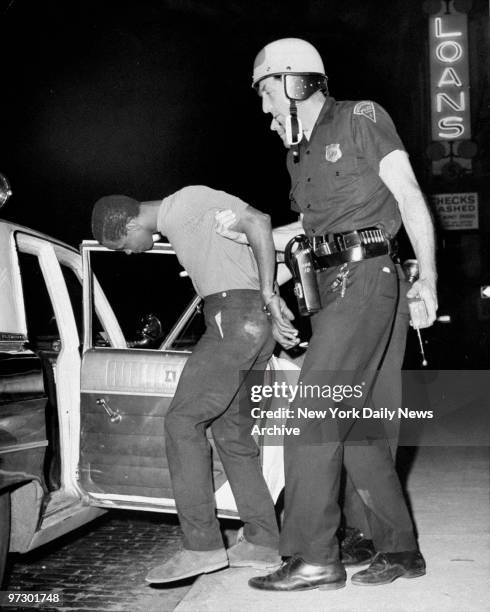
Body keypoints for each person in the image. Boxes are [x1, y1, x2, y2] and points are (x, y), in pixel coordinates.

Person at [216, 38, 437, 591]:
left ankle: (313, 557)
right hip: (334, 287)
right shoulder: (298, 154)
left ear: (295, 81)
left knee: (311, 417)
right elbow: (309, 236)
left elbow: (408, 196)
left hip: (368, 277)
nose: (264, 110)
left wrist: (429, 276)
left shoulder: (361, 117)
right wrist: (244, 248)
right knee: (357, 431)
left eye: (266, 91)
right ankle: (400, 549)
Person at [91, 185, 298, 583]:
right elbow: (245, 250)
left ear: (132, 223)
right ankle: (262, 542)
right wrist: (265, 298)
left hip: (235, 319)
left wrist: (271, 295)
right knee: (233, 435)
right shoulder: (184, 225)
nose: (131, 253)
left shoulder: (185, 204)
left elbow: (258, 220)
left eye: (123, 246)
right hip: (250, 323)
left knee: (181, 422)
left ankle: (200, 547)